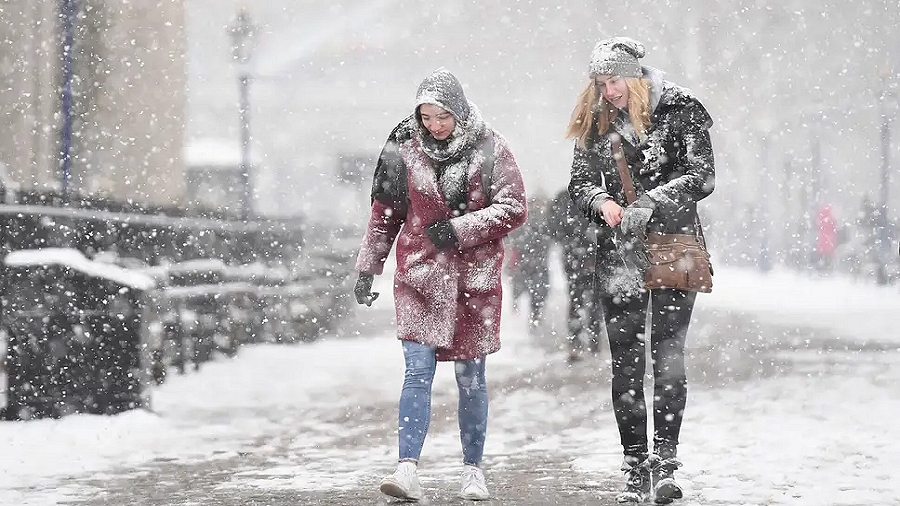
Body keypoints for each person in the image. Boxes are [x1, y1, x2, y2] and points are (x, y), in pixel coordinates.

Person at [353, 67, 527, 502]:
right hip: (419, 276)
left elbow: (514, 207)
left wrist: (461, 229)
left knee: (471, 379)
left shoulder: (490, 147)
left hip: (474, 281)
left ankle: (473, 470)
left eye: (442, 116)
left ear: (459, 111)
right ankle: (406, 467)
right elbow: (385, 212)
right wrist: (368, 267)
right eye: (426, 116)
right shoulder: (402, 147)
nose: (434, 125)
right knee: (417, 373)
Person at [566, 37, 715, 504]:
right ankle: (635, 465)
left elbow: (702, 176)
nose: (608, 91)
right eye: (601, 83)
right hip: (619, 252)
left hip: (674, 246)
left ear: (635, 75)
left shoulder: (683, 109)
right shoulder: (597, 119)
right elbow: (580, 182)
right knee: (626, 364)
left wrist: (652, 201)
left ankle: (667, 461)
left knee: (668, 358)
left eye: (615, 81)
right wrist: (600, 202)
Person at [545, 187, 603, 363]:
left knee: (576, 298)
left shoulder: (564, 197)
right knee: (593, 300)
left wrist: (569, 242)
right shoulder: (597, 195)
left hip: (573, 255)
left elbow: (552, 227)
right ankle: (593, 343)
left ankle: (577, 342)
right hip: (591, 253)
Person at [505, 196, 551, 333]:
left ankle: (533, 319)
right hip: (527, 264)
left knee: (535, 294)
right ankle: (529, 319)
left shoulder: (542, 223)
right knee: (530, 292)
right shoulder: (530, 223)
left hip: (533, 264)